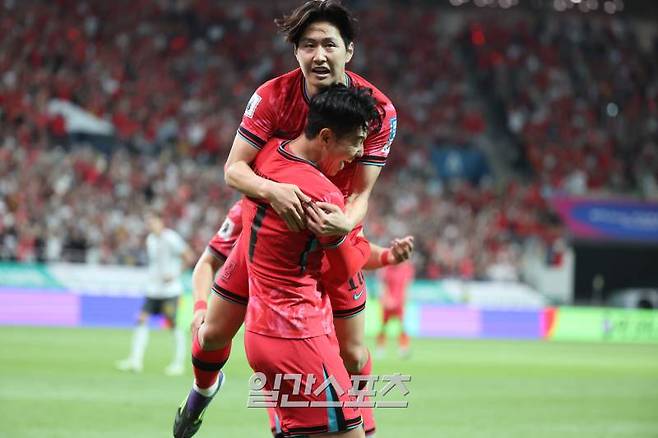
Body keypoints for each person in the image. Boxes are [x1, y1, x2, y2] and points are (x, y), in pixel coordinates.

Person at [174, 2, 413, 437]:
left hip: (330, 227)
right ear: (296, 52)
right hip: (272, 226)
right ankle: (203, 392)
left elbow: (360, 193)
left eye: (328, 44)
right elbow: (234, 169)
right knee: (211, 336)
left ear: (349, 51)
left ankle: (354, 425)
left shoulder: (377, 111)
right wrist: (275, 191)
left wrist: (342, 226)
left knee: (354, 355)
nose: (318, 55)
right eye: (308, 46)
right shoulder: (272, 97)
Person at [117, 211, 193, 375]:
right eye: (148, 222)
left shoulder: (171, 238)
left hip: (170, 291)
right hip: (153, 290)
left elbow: (189, 256)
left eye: (152, 221)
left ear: (161, 221)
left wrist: (174, 275)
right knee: (141, 320)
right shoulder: (150, 240)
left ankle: (178, 364)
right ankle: (135, 361)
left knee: (173, 325)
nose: (149, 225)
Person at [376, 259, 415, 359]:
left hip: (399, 304)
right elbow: (382, 286)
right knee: (383, 327)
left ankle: (403, 348)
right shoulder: (387, 269)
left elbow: (407, 287)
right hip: (388, 303)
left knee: (403, 327)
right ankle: (380, 348)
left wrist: (405, 302)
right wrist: (386, 299)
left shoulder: (407, 269)